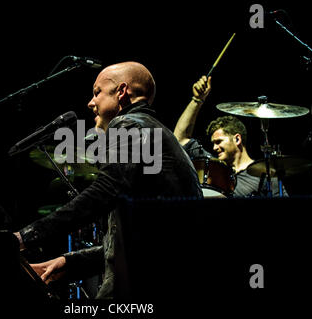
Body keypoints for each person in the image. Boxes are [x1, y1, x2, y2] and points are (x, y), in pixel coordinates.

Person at [13, 61, 203, 299]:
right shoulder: (156, 134)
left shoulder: (129, 124)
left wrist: (25, 237)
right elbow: (148, 243)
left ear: (122, 92)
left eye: (97, 93)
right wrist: (68, 262)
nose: (90, 103)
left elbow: (104, 190)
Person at [174, 75, 287, 197]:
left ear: (237, 139)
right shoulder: (213, 168)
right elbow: (180, 139)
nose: (214, 148)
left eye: (219, 142)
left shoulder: (264, 175)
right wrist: (197, 100)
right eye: (213, 143)